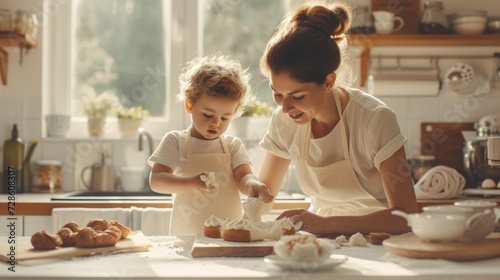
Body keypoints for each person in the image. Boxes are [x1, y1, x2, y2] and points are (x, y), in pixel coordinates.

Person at [257, 1, 418, 237]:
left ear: (328, 82)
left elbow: (405, 217)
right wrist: (242, 226)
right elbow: (264, 196)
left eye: (297, 96)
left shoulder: (374, 120)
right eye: (277, 93)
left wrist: (327, 224)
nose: (285, 107)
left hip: (380, 242)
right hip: (320, 242)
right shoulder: (284, 121)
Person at [148, 53, 273, 236]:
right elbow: (157, 181)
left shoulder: (233, 146)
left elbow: (243, 177)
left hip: (229, 233)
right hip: (187, 235)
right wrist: (191, 182)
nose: (216, 123)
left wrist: (254, 185)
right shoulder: (176, 141)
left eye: (225, 117)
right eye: (208, 115)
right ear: (190, 104)